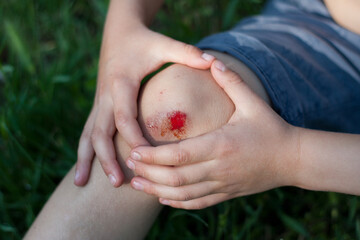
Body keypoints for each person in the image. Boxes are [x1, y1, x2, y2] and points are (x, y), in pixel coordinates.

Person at [25, 0, 360, 238]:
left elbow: (293, 157)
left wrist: (292, 157)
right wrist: (122, 28)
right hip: (317, 21)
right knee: (166, 112)